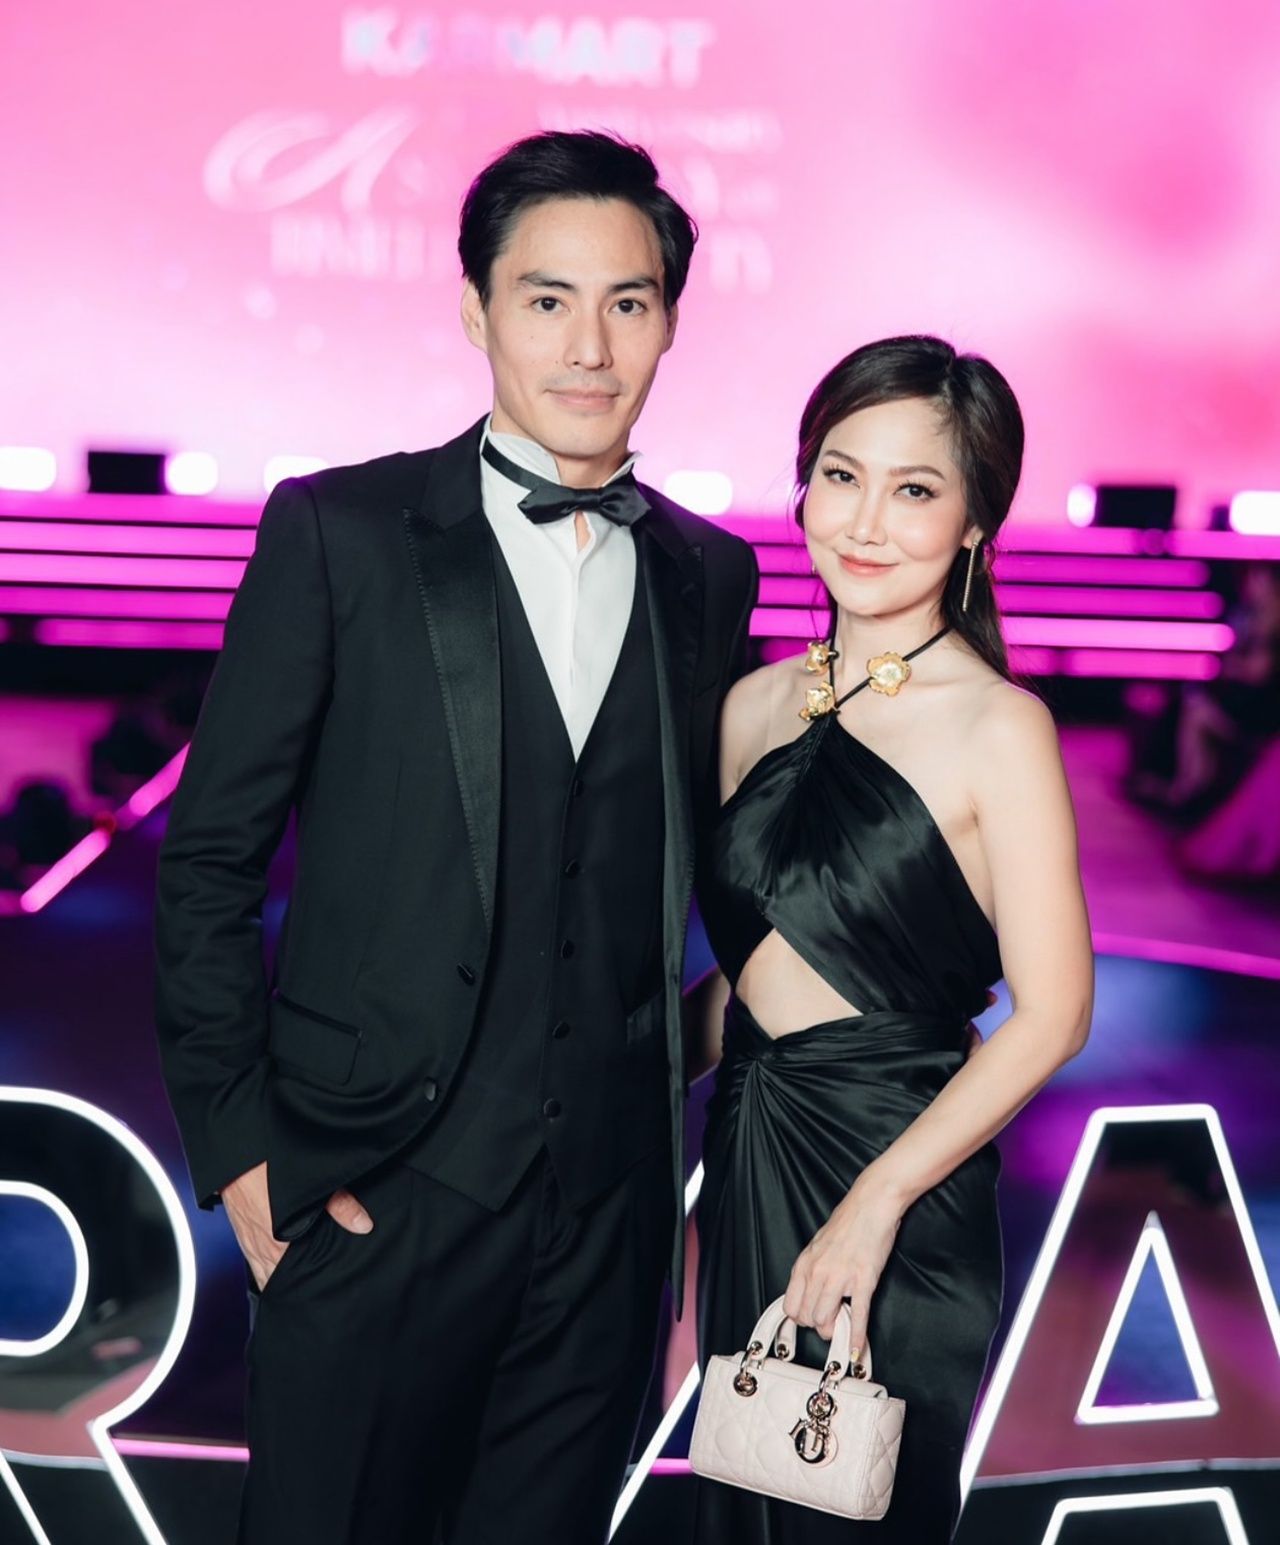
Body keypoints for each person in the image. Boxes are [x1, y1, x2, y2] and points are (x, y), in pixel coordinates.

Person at [153, 130, 757, 1545]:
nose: (589, 346)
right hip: (370, 1192)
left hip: (603, 1232)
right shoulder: (342, 534)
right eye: (547, 299)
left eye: (628, 301)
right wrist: (245, 1153)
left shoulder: (708, 574)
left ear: (670, 319)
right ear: (477, 311)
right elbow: (210, 858)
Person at [690, 336, 1094, 1542]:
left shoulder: (997, 726)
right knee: (747, 1503)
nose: (864, 523)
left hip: (897, 1179)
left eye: (913, 489)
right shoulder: (750, 706)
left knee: (855, 1507)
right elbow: (755, 977)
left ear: (973, 525)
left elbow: (1054, 1016)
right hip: (750, 1152)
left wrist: (873, 1205)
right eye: (838, 475)